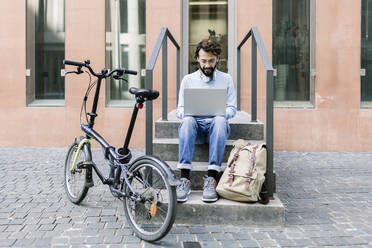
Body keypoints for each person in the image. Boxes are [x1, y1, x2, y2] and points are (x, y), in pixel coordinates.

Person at [176, 38, 237, 203]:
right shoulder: (188, 80)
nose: (207, 65)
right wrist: (189, 112)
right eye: (203, 61)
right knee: (187, 120)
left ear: (217, 58)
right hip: (194, 127)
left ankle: (212, 178)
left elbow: (232, 108)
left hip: (216, 128)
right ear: (197, 59)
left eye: (211, 60)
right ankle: (184, 178)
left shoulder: (226, 79)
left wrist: (220, 112)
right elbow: (179, 109)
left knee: (219, 119)